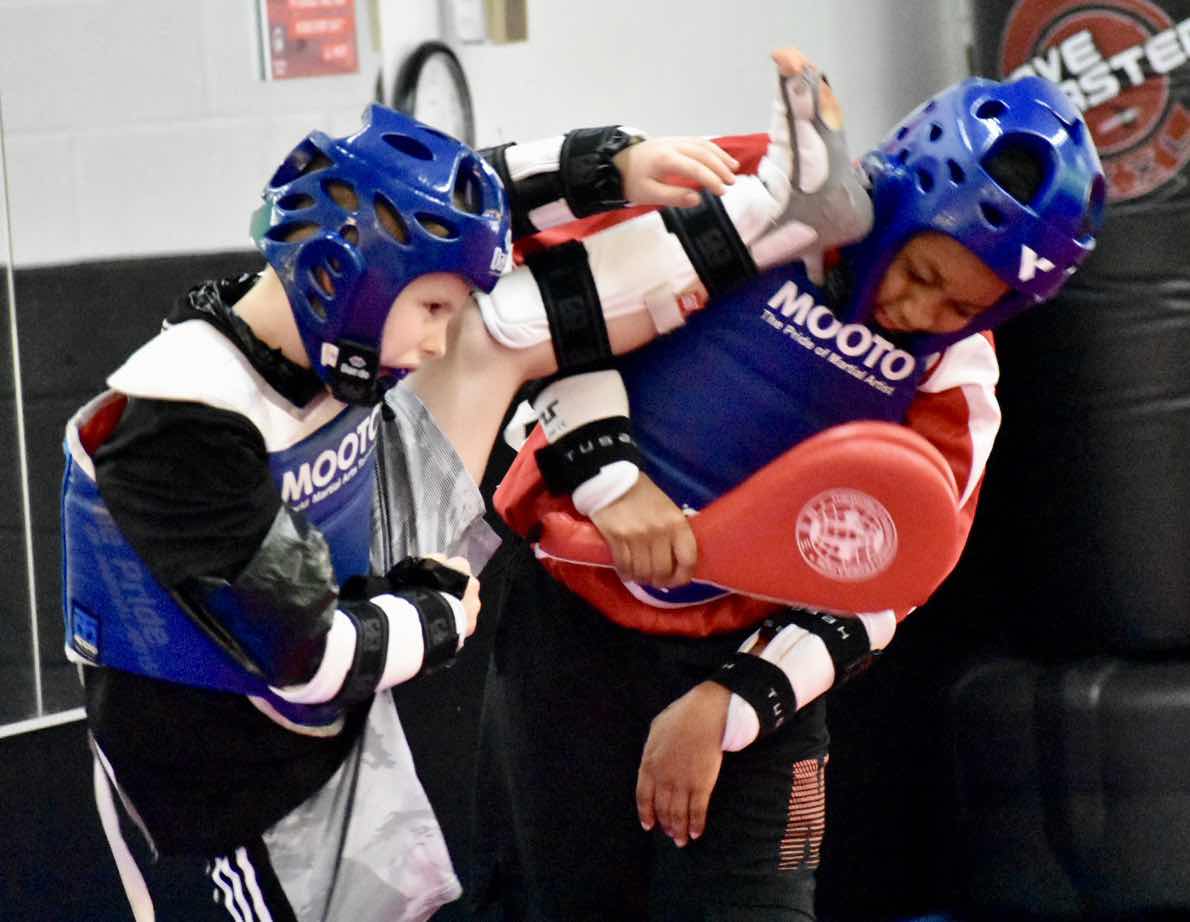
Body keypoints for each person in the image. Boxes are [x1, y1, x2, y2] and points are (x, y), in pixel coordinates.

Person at [58, 101, 769, 921]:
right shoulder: (182, 417)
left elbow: (458, 214)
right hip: (240, 765)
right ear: (347, 274)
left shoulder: (309, 316)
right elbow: (304, 657)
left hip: (338, 641)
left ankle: (770, 218)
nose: (435, 341)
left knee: (500, 325)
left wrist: (610, 167)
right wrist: (434, 616)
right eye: (430, 309)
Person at [473, 52, 1107, 921]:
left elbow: (898, 578)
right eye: (922, 274)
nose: (919, 313)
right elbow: (535, 306)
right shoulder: (759, 189)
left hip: (754, 661)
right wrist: (610, 477)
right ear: (902, 196)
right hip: (570, 623)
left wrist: (733, 702)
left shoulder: (957, 381)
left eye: (961, 307)